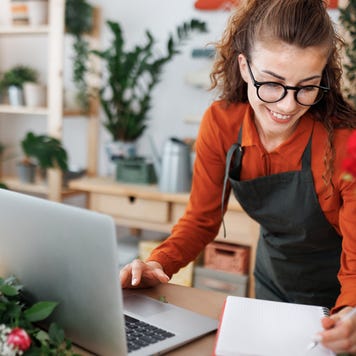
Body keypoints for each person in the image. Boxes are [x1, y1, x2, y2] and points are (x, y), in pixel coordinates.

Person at [120, 0, 356, 353]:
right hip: (271, 281)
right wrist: (158, 263)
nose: (288, 105)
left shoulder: (344, 142)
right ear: (245, 67)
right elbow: (202, 219)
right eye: (273, 83)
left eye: (307, 86)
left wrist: (351, 311)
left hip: (341, 292)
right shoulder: (221, 124)